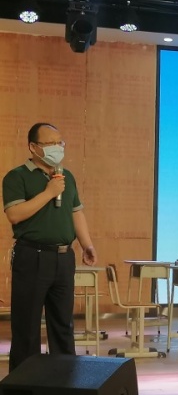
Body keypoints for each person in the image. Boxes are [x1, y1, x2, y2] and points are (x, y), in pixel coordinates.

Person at [2, 122, 97, 372]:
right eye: (50, 143)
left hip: (64, 258)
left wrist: (86, 244)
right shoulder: (17, 176)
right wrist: (49, 192)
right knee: (27, 326)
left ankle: (65, 382)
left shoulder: (67, 177)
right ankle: (25, 384)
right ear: (33, 147)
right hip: (32, 256)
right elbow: (14, 214)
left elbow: (76, 212)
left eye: (59, 143)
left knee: (63, 325)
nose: (57, 148)